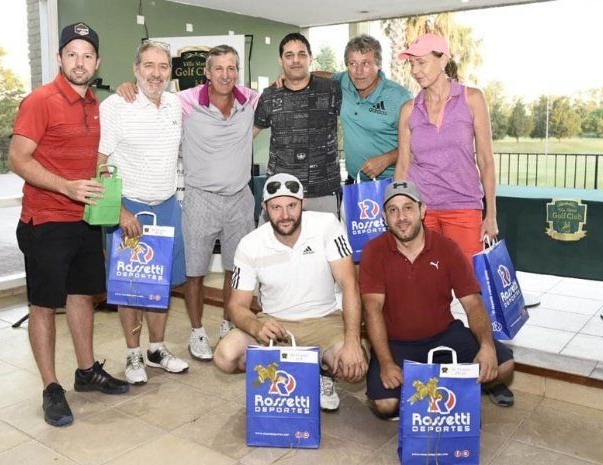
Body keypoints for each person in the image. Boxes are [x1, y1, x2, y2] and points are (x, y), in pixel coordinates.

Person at [9, 22, 128, 428]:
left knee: (82, 295)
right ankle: (50, 387)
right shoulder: (40, 101)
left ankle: (85, 371)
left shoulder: (94, 102)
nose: (80, 62)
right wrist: (66, 186)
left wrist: (105, 180)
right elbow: (18, 159)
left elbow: (87, 158)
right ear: (60, 58)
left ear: (97, 61)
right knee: (44, 304)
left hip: (84, 220)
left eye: (88, 55)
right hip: (45, 220)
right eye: (72, 54)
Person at [117, 45, 259, 361]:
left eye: (232, 68)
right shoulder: (184, 101)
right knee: (194, 272)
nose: (226, 74)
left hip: (240, 199)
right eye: (219, 68)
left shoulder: (250, 99)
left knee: (236, 271)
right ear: (206, 73)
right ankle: (197, 332)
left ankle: (228, 323)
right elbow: (148, 97)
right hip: (200, 199)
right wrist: (127, 87)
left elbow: (277, 97)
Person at [359, 180, 515, 420]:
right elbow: (372, 310)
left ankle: (450, 386)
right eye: (393, 210)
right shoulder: (373, 251)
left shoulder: (447, 248)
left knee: (503, 366)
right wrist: (387, 362)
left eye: (408, 207)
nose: (401, 217)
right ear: (384, 217)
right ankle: (446, 386)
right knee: (386, 405)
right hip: (397, 342)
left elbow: (472, 302)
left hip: (444, 333)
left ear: (422, 211)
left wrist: (485, 345)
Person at [213, 173, 368, 411]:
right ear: (265, 208)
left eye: (292, 206)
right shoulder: (250, 244)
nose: (285, 215)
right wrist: (257, 327)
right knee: (225, 356)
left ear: (303, 204)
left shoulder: (328, 226)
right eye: (276, 207)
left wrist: (353, 341)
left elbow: (350, 285)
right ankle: (295, 373)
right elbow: (236, 306)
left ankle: (321, 373)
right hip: (276, 325)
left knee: (355, 367)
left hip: (324, 320)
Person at [98, 40, 188, 385]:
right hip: (130, 207)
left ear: (170, 72)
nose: (156, 73)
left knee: (160, 285)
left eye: (163, 66)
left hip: (166, 205)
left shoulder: (175, 105)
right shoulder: (116, 105)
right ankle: (133, 353)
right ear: (136, 69)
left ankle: (157, 349)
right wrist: (119, 211)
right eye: (148, 66)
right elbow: (99, 163)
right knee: (129, 287)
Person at [394, 33, 498, 259]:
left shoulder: (472, 99)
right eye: (411, 64)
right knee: (428, 286)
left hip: (464, 207)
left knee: (469, 287)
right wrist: (399, 213)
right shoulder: (408, 110)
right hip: (421, 210)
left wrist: (491, 214)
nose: (414, 70)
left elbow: (486, 161)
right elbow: (402, 167)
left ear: (443, 60)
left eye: (421, 62)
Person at [253, 33, 342, 217]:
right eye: (289, 55)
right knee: (272, 246)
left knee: (324, 246)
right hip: (280, 193)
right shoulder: (270, 95)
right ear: (280, 60)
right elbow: (249, 134)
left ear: (310, 58)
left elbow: (352, 78)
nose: (296, 60)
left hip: (323, 194)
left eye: (302, 54)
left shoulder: (332, 89)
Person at [334, 35, 412, 182]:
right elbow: (322, 77)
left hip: (392, 182)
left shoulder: (400, 97)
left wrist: (387, 159)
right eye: (353, 63)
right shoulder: (344, 80)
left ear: (379, 65)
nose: (358, 71)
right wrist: (288, 77)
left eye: (366, 64)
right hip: (354, 182)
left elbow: (419, 143)